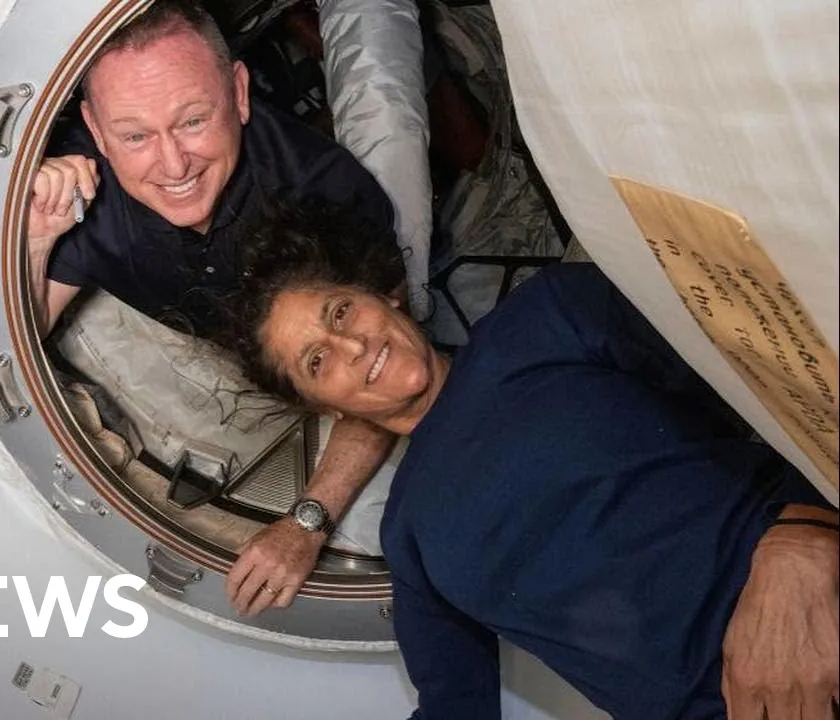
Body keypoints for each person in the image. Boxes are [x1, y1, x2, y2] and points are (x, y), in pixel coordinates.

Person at [217, 201, 840, 720]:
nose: (352, 345)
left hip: (808, 590)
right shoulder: (408, 535)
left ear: (385, 296)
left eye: (340, 312)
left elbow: (779, 382)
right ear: (325, 408)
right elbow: (454, 707)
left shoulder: (547, 317)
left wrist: (803, 537)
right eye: (318, 361)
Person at [25, 0, 410, 614]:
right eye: (135, 135)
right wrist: (40, 236)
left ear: (239, 93)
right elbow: (27, 329)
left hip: (312, 366)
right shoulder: (83, 186)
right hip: (201, 348)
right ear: (95, 129)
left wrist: (306, 522)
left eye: (193, 121)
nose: (173, 164)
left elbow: (387, 374)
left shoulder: (325, 193)